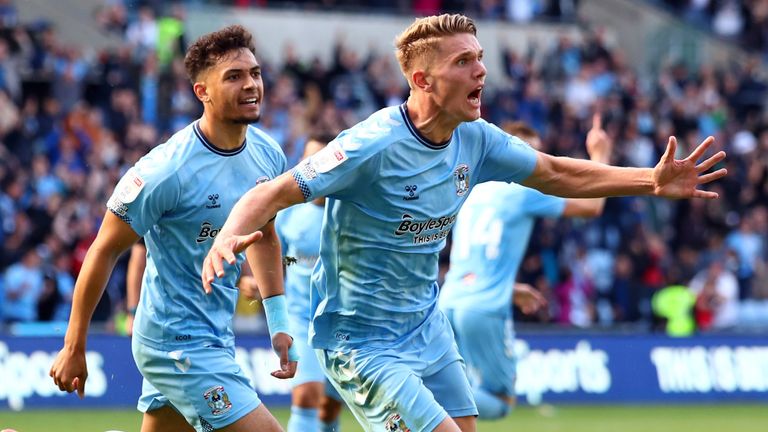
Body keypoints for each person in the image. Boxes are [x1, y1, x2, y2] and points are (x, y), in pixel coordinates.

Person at [202, 14, 726, 432]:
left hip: (429, 327)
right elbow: (271, 191)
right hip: (363, 340)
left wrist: (650, 181)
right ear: (422, 79)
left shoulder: (476, 139)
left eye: (480, 58)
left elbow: (555, 172)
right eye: (464, 62)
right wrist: (228, 235)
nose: (481, 71)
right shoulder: (373, 144)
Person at [49, 25, 298, 432]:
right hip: (173, 342)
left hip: (216, 333)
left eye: (255, 73)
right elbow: (104, 249)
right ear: (203, 92)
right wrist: (74, 346)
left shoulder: (268, 154)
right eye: (234, 77)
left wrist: (279, 319)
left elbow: (265, 235)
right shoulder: (165, 170)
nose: (251, 85)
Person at [438, 117, 611, 420]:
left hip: (450, 299)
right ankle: (415, 405)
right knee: (499, 400)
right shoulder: (521, 190)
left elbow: (474, 260)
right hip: (484, 307)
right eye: (534, 153)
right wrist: (601, 154)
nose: (540, 162)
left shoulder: (473, 191)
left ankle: (421, 404)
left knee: (459, 395)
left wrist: (511, 288)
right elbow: (592, 207)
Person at [276, 133, 345, 432]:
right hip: (301, 320)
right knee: (306, 396)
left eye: (320, 161)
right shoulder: (287, 212)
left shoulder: (349, 212)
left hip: (342, 325)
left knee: (328, 408)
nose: (313, 169)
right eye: (308, 161)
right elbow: (281, 258)